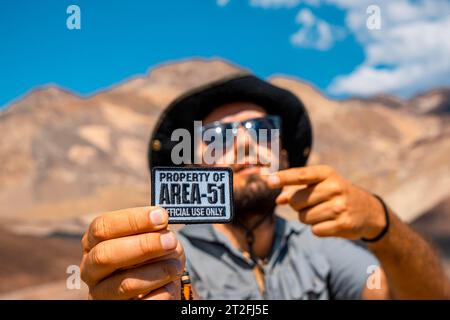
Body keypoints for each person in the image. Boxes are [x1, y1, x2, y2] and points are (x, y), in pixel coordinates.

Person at [80, 74, 450, 299]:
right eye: (219, 137)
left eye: (262, 131)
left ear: (285, 157)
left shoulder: (322, 251)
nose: (244, 145)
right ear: (196, 167)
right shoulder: (170, 258)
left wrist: (383, 226)